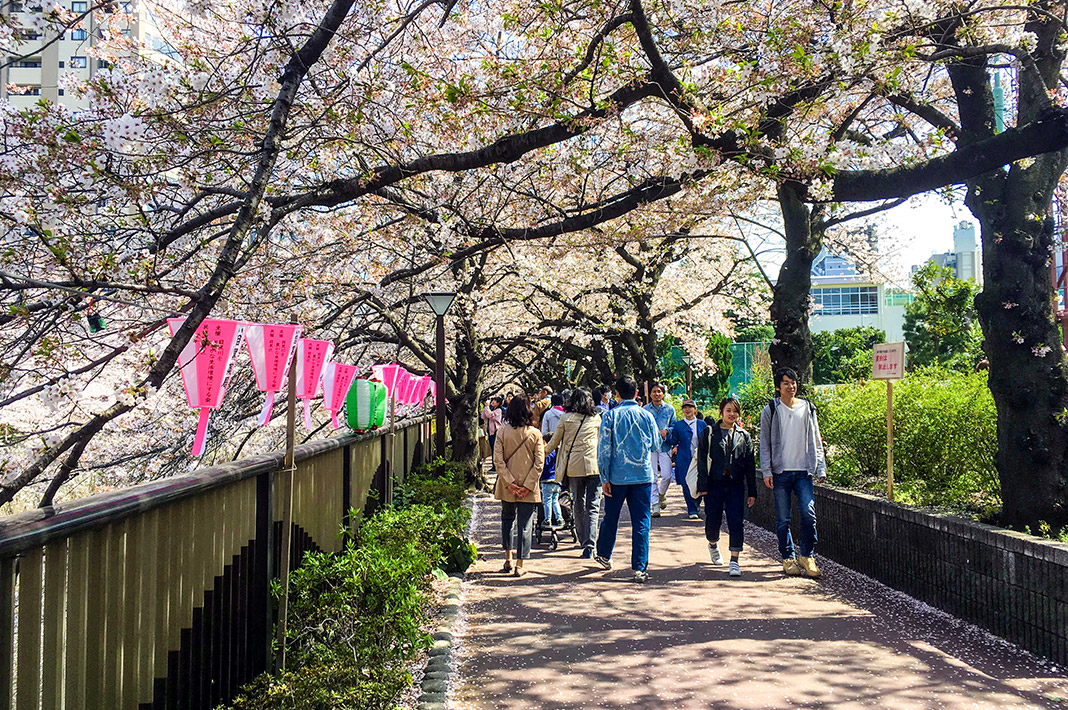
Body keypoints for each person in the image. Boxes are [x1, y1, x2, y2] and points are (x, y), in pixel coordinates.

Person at [759, 368, 827, 578]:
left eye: (793, 382)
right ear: (778, 387)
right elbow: (764, 443)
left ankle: (807, 555)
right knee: (783, 519)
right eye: (786, 383)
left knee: (808, 514)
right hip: (781, 472)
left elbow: (816, 438)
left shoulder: (808, 408)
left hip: (803, 471)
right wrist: (766, 471)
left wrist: (820, 466)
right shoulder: (770, 409)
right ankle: (788, 558)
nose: (791, 386)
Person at [595, 375, 662, 583]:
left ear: (616, 394)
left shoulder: (610, 416)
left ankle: (605, 553)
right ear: (636, 393)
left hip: (617, 475)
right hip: (642, 475)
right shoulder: (647, 416)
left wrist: (604, 476)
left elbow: (604, 449)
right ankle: (640, 567)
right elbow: (656, 445)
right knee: (642, 521)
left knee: (611, 516)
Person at [696, 398, 757, 577]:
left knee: (736, 521)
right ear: (721, 412)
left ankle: (734, 560)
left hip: (735, 484)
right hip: (714, 484)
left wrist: (752, 491)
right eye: (728, 410)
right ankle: (713, 543)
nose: (732, 414)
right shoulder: (709, 433)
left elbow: (750, 466)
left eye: (735, 411)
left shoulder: (743, 435)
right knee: (713, 520)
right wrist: (703, 485)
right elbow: (702, 460)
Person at [545, 388, 602, 557]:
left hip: (574, 468)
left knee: (578, 502)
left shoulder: (566, 418)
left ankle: (584, 540)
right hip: (594, 466)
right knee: (593, 505)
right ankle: (590, 544)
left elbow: (554, 443)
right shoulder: (596, 418)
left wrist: (539, 457)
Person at [493, 395, 545, 577]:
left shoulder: (502, 432)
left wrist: (509, 483)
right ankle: (520, 564)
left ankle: (508, 558)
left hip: (507, 486)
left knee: (507, 520)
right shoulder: (535, 434)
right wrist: (527, 485)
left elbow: (497, 460)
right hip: (528, 488)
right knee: (525, 524)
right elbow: (539, 463)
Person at [664, 399, 705, 519]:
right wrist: (664, 438)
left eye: (690, 407)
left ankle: (696, 502)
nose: (687, 410)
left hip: (699, 459)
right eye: (685, 407)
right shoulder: (679, 425)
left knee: (700, 482)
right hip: (684, 459)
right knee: (686, 483)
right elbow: (674, 440)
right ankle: (691, 509)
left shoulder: (702, 424)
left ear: (695, 409)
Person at [643, 383, 676, 517]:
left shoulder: (669, 409)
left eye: (659, 391)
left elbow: (674, 425)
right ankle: (655, 505)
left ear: (663, 394)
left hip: (665, 445)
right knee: (652, 476)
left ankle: (661, 494)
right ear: (650, 394)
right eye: (654, 392)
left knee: (667, 476)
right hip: (651, 446)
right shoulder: (645, 409)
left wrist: (667, 431)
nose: (656, 394)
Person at [480, 396, 503, 471]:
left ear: (498, 403)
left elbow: (490, 415)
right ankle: (494, 465)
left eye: (495, 401)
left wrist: (487, 406)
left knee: (496, 449)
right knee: (492, 449)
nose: (493, 402)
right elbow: (483, 416)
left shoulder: (499, 410)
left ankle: (496, 465)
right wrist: (485, 407)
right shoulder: (491, 409)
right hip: (490, 432)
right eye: (492, 401)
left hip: (496, 432)